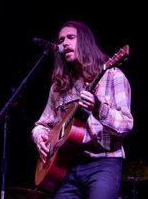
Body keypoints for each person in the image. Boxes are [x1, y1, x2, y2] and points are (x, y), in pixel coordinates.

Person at [31, 20, 134, 199]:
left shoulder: (113, 76)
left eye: (71, 37)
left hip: (103, 162)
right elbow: (42, 124)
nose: (64, 43)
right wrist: (39, 136)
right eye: (61, 40)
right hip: (66, 166)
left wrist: (98, 108)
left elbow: (126, 124)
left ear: (85, 42)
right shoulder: (58, 86)